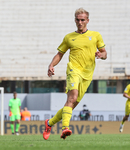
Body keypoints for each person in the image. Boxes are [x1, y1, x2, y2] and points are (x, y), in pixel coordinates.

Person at [43, 8, 107, 140]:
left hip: (87, 74)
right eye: (77, 20)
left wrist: (101, 55)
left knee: (71, 104)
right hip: (73, 70)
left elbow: (105, 53)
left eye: (83, 20)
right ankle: (65, 128)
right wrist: (51, 65)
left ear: (87, 20)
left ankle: (49, 123)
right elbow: (60, 54)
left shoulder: (96, 35)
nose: (80, 22)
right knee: (72, 97)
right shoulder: (69, 37)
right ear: (75, 20)